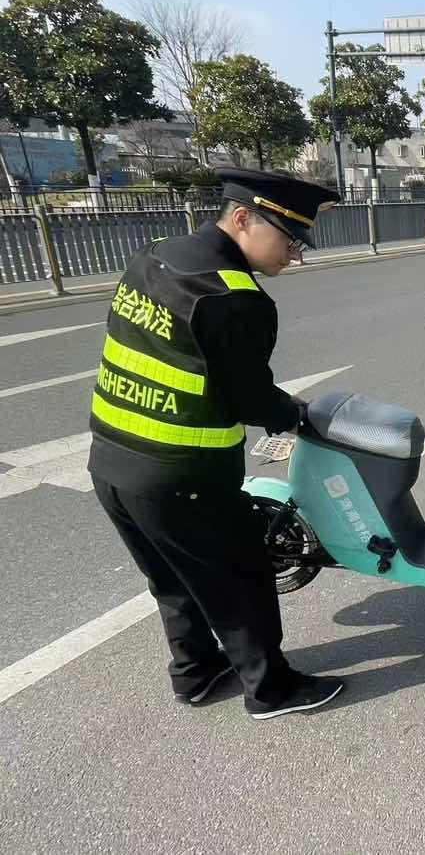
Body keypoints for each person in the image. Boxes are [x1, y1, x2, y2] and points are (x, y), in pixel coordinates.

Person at [88, 168, 345, 719]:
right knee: (242, 578)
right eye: (290, 239)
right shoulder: (236, 297)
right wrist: (296, 414)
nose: (295, 255)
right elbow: (248, 399)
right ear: (244, 218)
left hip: (110, 461)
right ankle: (271, 690)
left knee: (169, 575)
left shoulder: (155, 255)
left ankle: (195, 672)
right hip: (183, 474)